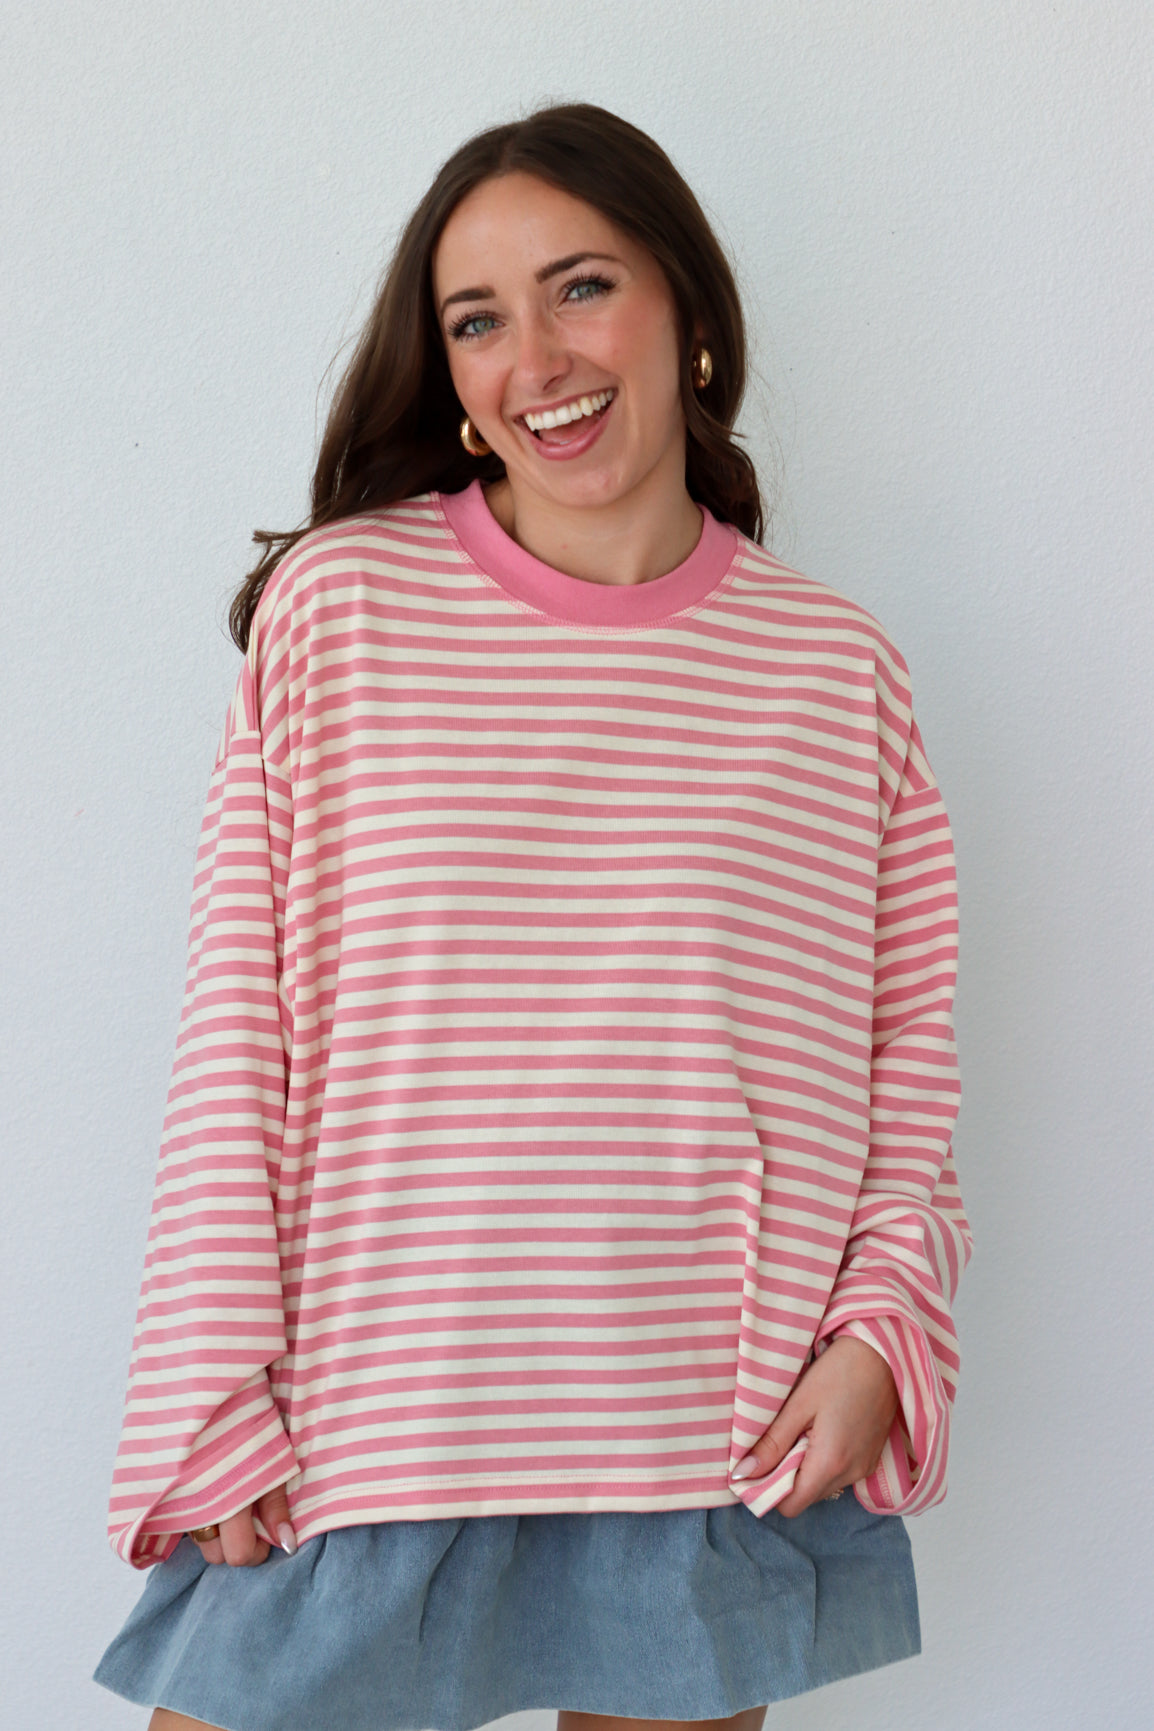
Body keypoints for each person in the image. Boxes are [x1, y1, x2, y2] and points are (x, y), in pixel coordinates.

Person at [94, 102, 972, 1731]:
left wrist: (877, 1332)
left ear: (686, 317)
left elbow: (905, 1060)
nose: (534, 357)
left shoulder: (832, 670)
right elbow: (235, 1033)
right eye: (476, 319)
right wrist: (212, 1397)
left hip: (704, 1438)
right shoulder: (342, 610)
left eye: (582, 288)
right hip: (366, 1427)